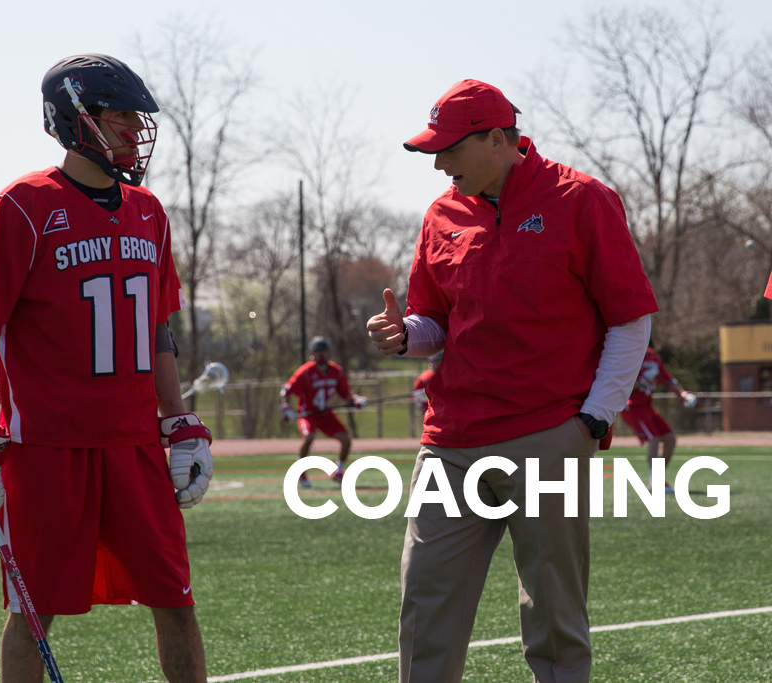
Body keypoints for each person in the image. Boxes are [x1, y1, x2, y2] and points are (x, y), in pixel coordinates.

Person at [367, 79, 658, 683]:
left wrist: (594, 419)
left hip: (549, 433)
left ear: (498, 139)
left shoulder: (582, 199)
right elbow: (437, 323)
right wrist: (405, 334)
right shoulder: (440, 214)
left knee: (554, 618)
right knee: (426, 608)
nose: (439, 164)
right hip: (449, 442)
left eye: (449, 150)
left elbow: (631, 318)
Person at [0, 54, 210, 683]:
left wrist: (180, 421)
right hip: (48, 448)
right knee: (35, 611)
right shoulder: (23, 205)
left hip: (137, 445)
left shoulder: (149, 210)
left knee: (176, 598)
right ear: (76, 120)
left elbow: (158, 329)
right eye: (119, 115)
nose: (133, 129)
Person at [280, 336, 365, 487]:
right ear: (312, 353)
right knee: (309, 437)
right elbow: (286, 390)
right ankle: (300, 471)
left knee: (346, 440)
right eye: (318, 352)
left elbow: (346, 394)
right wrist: (286, 407)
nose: (321, 355)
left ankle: (338, 472)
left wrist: (356, 401)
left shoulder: (336, 371)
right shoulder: (305, 372)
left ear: (329, 352)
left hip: (326, 414)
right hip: (308, 414)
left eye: (324, 351)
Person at [619, 346, 697, 493]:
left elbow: (668, 380)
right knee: (653, 439)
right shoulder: (629, 354)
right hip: (632, 406)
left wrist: (682, 394)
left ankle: (657, 479)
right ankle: (654, 483)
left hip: (647, 406)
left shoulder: (653, 356)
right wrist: (638, 383)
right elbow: (620, 382)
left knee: (669, 439)